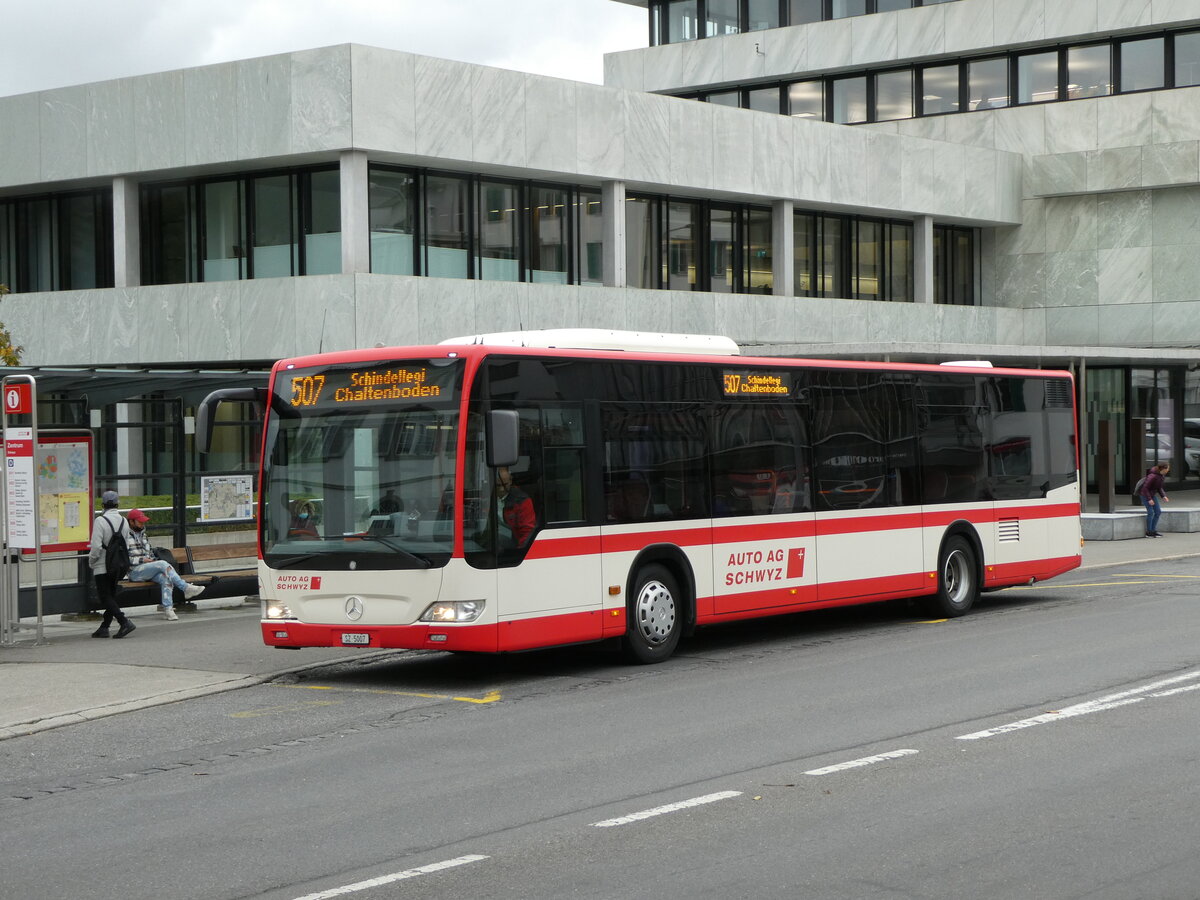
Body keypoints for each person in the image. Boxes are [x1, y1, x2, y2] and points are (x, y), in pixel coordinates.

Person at [125, 508, 203, 619]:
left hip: (148, 569)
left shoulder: (144, 535)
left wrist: (151, 560)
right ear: (131, 522)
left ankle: (168, 610)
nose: (142, 524)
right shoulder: (125, 537)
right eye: (139, 521)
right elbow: (125, 559)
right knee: (162, 564)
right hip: (135, 572)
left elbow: (150, 552)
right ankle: (185, 587)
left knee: (166, 577)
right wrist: (143, 560)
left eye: (143, 521)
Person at [87, 490, 135, 639]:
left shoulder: (100, 521)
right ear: (117, 504)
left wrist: (92, 561)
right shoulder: (124, 521)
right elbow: (125, 543)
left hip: (102, 565)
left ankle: (124, 621)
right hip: (118, 565)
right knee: (111, 596)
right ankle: (104, 627)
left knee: (105, 597)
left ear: (103, 504)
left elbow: (95, 547)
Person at [496, 466, 536, 548]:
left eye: (505, 484)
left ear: (510, 480)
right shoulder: (488, 497)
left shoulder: (522, 501)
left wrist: (519, 552)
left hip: (514, 546)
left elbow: (527, 532)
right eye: (498, 485)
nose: (501, 489)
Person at [1137, 462, 1171, 537]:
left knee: (1158, 512)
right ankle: (1149, 531)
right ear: (1163, 469)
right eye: (1168, 468)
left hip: (1152, 495)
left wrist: (1163, 496)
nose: (1168, 470)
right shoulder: (1152, 476)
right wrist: (1149, 499)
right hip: (1145, 495)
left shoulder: (1161, 476)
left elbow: (1159, 487)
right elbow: (1144, 488)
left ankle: (1153, 530)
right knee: (1151, 512)